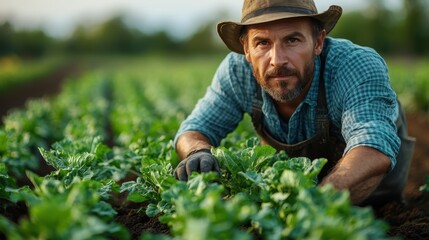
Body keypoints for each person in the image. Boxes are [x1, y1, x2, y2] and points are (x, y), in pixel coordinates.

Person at [173, 0, 415, 206]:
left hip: (372, 205)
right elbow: (195, 128)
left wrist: (313, 204)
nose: (277, 60)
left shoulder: (354, 66)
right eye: (262, 43)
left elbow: (372, 146)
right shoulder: (237, 71)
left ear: (318, 42)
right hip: (291, 201)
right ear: (246, 48)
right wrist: (197, 151)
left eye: (292, 40)